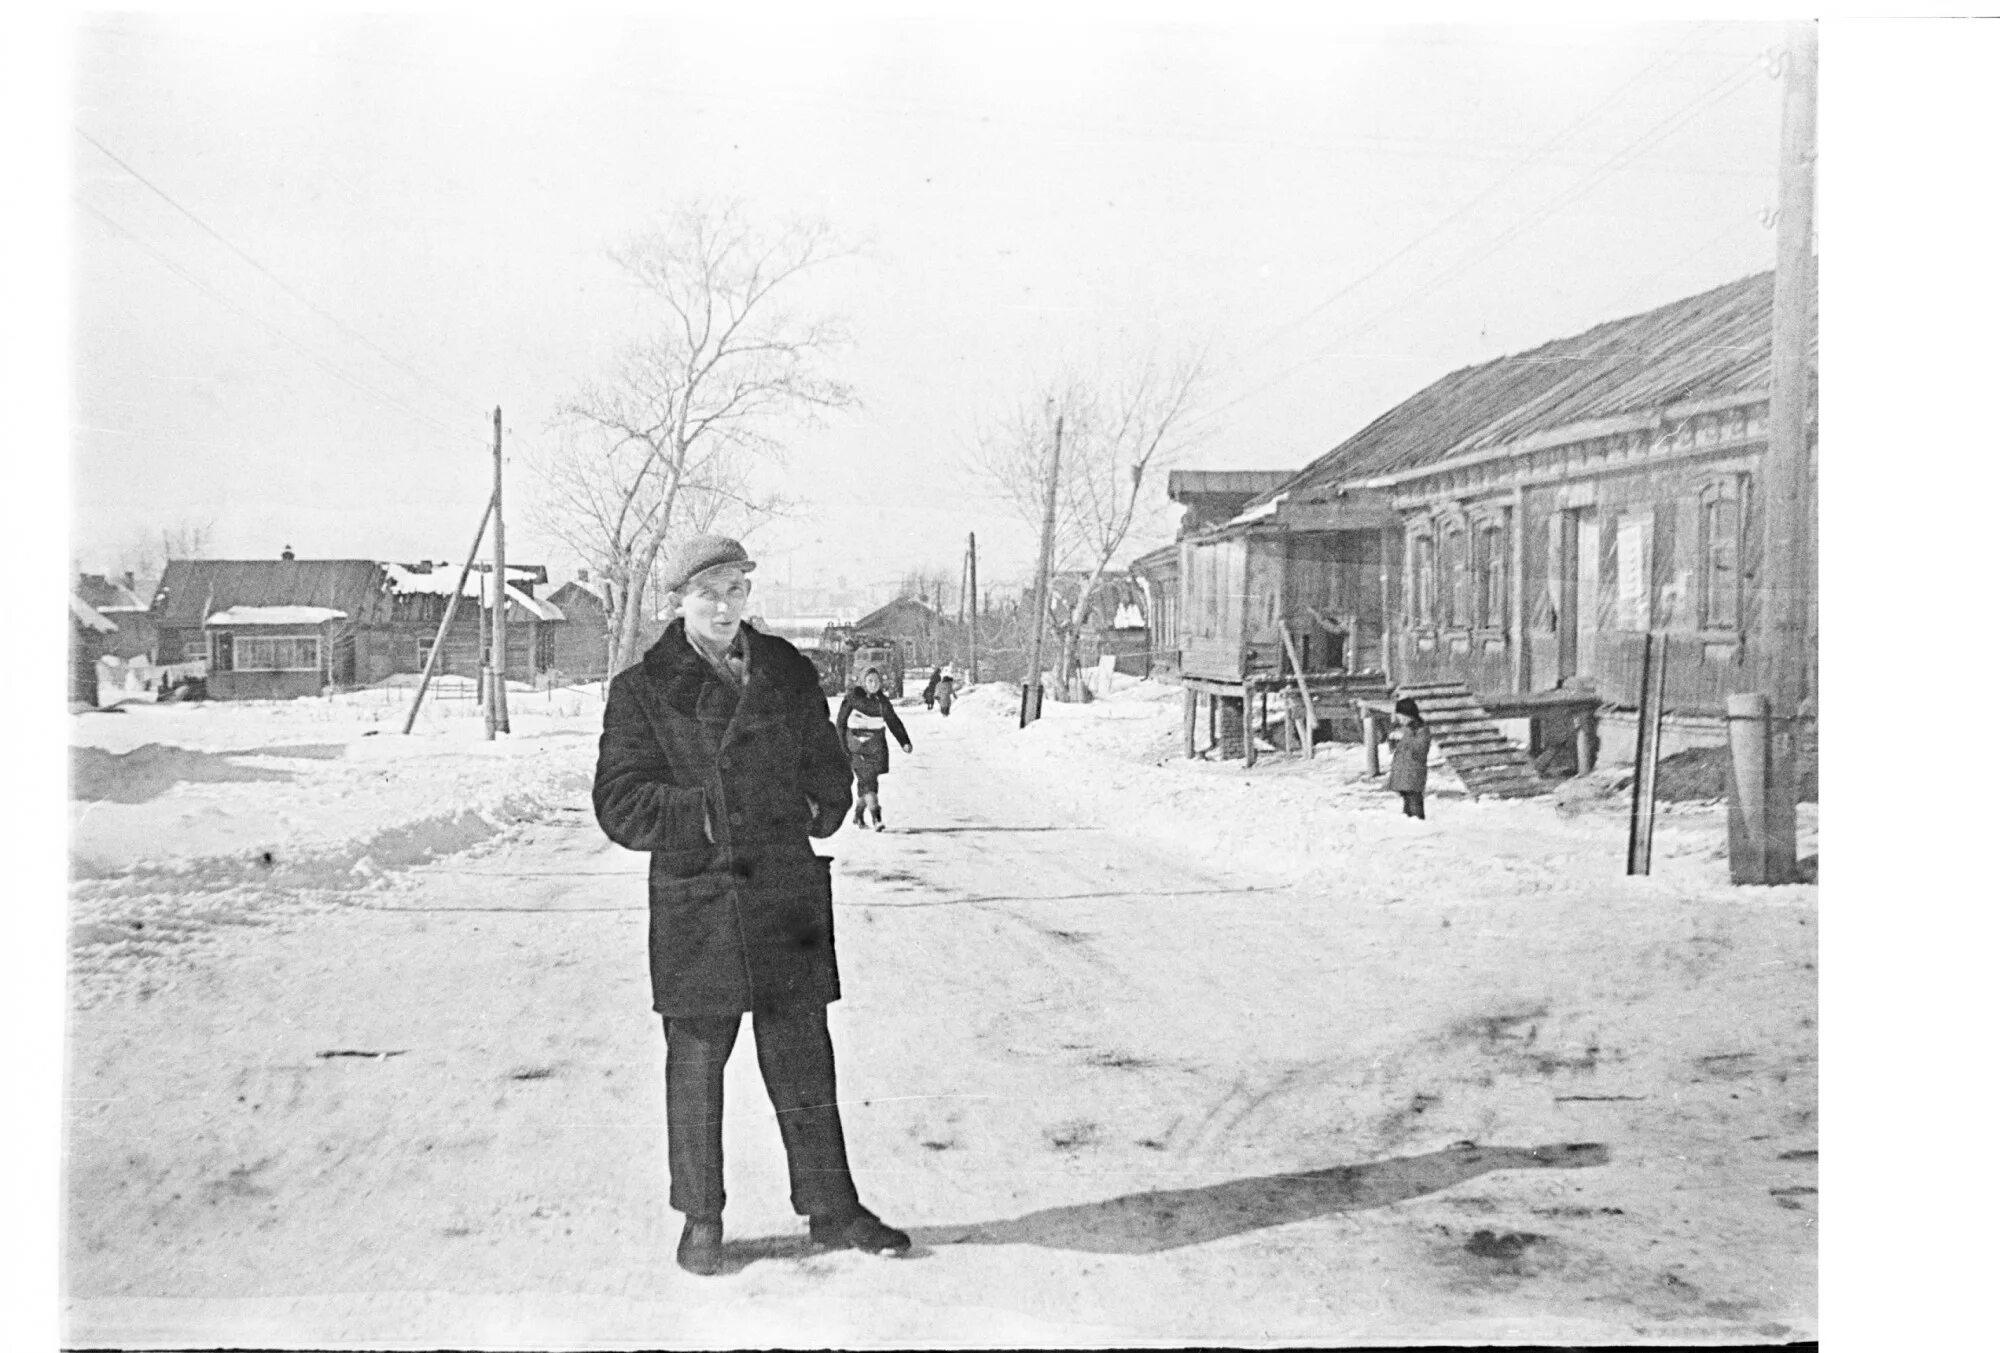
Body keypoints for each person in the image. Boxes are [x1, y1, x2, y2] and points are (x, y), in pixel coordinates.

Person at [593, 533, 910, 1276]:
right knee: (698, 1064)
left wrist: (814, 803)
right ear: (679, 600)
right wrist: (704, 813)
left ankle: (832, 1208)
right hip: (699, 900)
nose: (727, 605)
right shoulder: (641, 689)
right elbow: (618, 801)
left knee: (804, 1056)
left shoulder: (788, 672)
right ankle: (701, 1217)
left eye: (737, 589)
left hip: (781, 890)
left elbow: (829, 768)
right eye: (710, 592)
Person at [837, 667, 911, 832]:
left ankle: (858, 813)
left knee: (869, 783)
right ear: (863, 682)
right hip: (856, 748)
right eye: (870, 681)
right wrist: (842, 748)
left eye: (876, 681)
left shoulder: (882, 702)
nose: (873, 684)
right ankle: (876, 818)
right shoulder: (852, 699)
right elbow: (840, 725)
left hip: (876, 748)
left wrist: (904, 741)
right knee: (868, 782)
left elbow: (893, 722)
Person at [1387, 696, 1431, 819]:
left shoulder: (1421, 730)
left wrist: (1403, 738)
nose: (1399, 719)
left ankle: (1419, 826)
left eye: (1401, 716)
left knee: (1415, 803)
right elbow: (1396, 749)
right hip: (1403, 774)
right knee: (1407, 805)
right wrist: (1392, 740)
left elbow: (1420, 749)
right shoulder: (1402, 729)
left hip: (1414, 773)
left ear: (1409, 715)